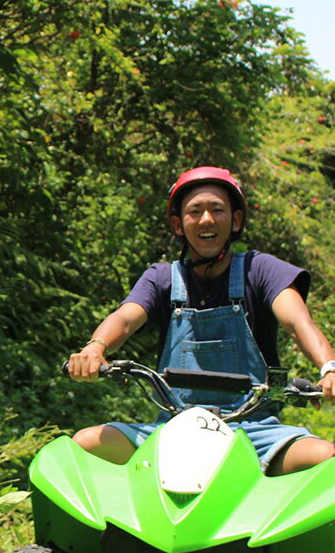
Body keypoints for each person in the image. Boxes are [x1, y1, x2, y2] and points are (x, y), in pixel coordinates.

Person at [67, 165, 335, 476]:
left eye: (217, 210)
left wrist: (329, 367)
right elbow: (126, 318)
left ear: (235, 220)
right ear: (178, 224)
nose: (206, 219)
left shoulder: (259, 270)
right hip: (173, 428)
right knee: (85, 445)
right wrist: (95, 348)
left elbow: (298, 322)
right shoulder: (162, 278)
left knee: (326, 458)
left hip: (255, 431)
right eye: (195, 211)